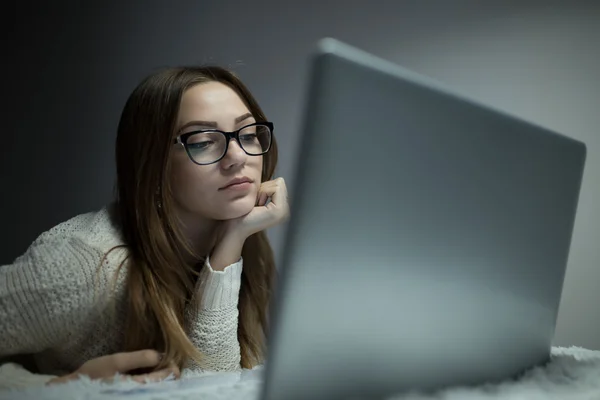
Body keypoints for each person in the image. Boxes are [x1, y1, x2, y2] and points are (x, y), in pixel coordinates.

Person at [0, 66, 289, 388]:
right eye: (204, 141)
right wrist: (56, 388)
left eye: (248, 134)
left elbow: (211, 388)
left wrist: (228, 250)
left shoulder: (241, 242)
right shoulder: (85, 266)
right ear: (153, 162)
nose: (237, 156)